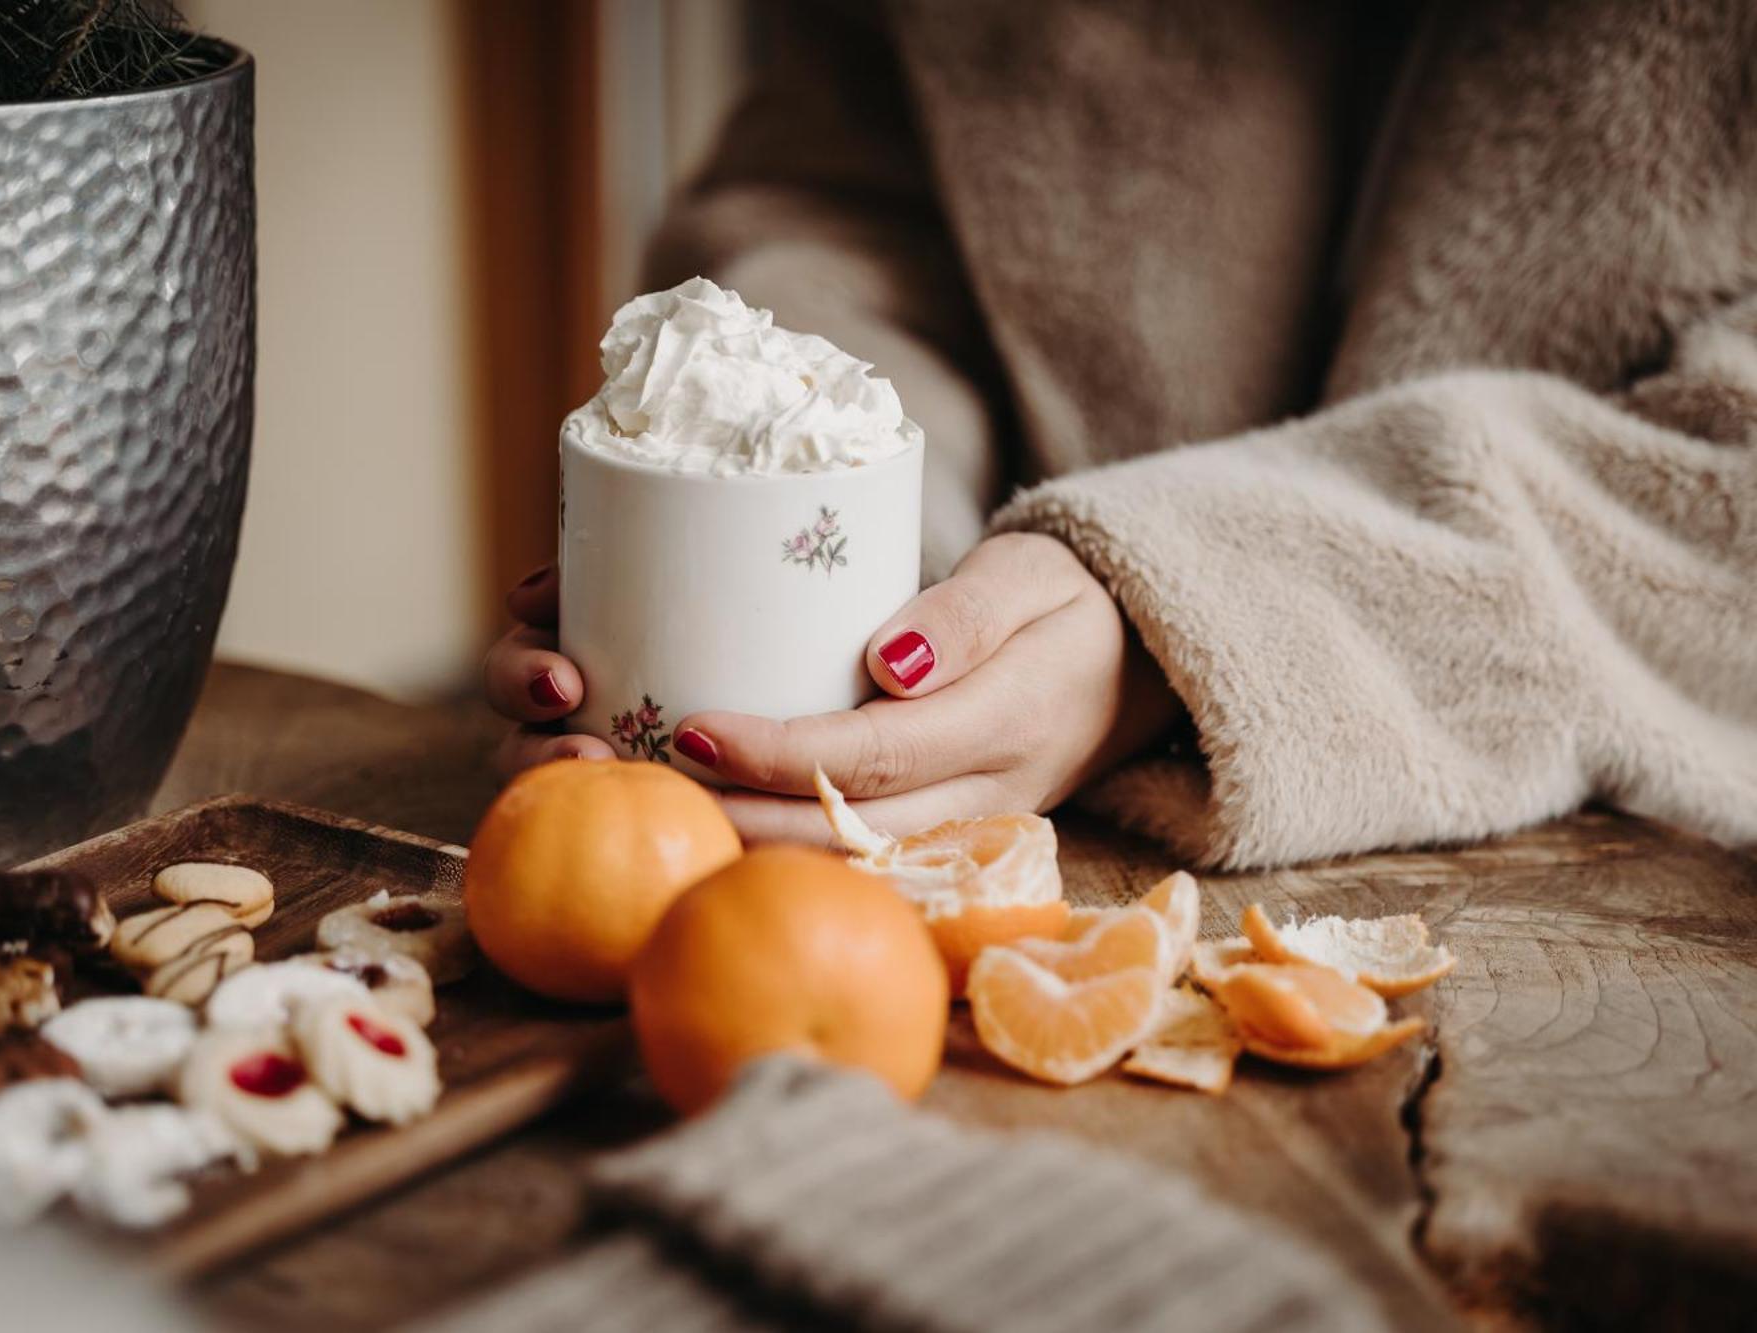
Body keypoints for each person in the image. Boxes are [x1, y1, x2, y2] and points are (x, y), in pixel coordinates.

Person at [485, 0, 1757, 869]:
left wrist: (1176, 618)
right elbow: (841, 207)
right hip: (969, 851)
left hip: (1619, 911)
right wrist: (878, 577)